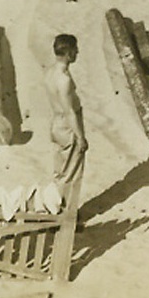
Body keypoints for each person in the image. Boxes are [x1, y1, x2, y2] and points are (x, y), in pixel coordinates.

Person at [45, 34, 87, 209]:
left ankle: (54, 206)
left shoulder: (50, 72)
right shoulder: (64, 79)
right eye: (75, 49)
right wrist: (80, 137)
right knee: (71, 173)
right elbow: (69, 111)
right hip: (67, 126)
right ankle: (66, 213)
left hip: (56, 123)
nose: (78, 52)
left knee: (60, 170)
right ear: (69, 53)